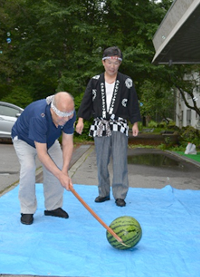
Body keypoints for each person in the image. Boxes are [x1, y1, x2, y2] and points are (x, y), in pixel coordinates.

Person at [76, 46, 141, 207]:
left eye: (116, 62)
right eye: (109, 62)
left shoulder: (126, 81)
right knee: (101, 160)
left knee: (120, 160)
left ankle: (119, 194)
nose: (112, 66)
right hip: (100, 124)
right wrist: (81, 120)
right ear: (103, 62)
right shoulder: (95, 81)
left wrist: (135, 123)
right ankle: (103, 192)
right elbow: (86, 101)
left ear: (120, 63)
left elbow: (133, 103)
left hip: (119, 123)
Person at [12, 92, 76, 225]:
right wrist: (60, 175)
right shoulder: (39, 115)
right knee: (29, 168)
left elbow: (68, 142)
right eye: (63, 116)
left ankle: (53, 207)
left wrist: (64, 171)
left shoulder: (69, 114)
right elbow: (42, 154)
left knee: (58, 167)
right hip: (25, 140)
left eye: (69, 115)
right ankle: (27, 210)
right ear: (53, 109)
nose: (66, 119)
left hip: (49, 141)